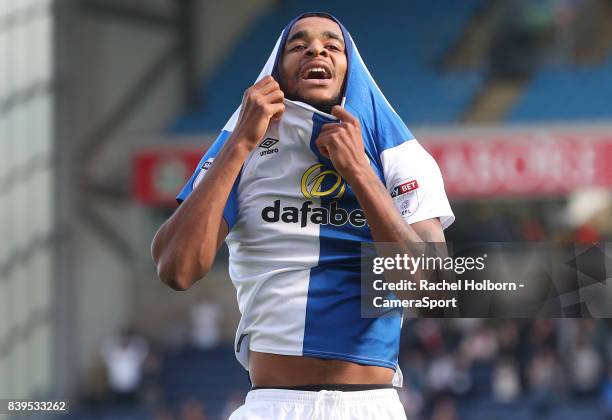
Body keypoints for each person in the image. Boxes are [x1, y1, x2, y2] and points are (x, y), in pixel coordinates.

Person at [151, 12, 454, 419]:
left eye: (332, 45)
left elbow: (432, 292)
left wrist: (360, 173)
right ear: (276, 69)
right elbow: (177, 268)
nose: (316, 49)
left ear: (350, 69)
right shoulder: (242, 146)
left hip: (371, 407)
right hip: (273, 405)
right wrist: (241, 141)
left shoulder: (398, 154)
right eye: (299, 45)